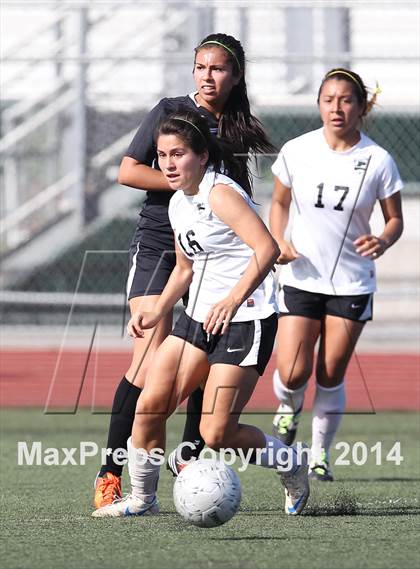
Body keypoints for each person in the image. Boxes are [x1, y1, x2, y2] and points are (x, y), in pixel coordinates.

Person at [92, 110, 310, 519]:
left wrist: (230, 300)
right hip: (198, 319)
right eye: (161, 155)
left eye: (178, 154)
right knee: (151, 404)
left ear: (203, 157)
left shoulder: (220, 194)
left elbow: (267, 250)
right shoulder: (178, 203)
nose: (169, 164)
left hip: (246, 319)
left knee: (216, 433)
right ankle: (142, 499)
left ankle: (290, 462)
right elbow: (185, 269)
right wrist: (157, 309)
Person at [269, 68, 404, 481]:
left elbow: (394, 219)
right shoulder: (297, 150)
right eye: (329, 99)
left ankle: (319, 456)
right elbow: (278, 203)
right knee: (293, 371)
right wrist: (278, 241)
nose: (337, 108)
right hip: (300, 276)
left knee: (330, 373)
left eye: (346, 100)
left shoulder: (378, 160)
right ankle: (288, 408)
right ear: (319, 104)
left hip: (351, 283)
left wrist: (382, 240)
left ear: (362, 107)